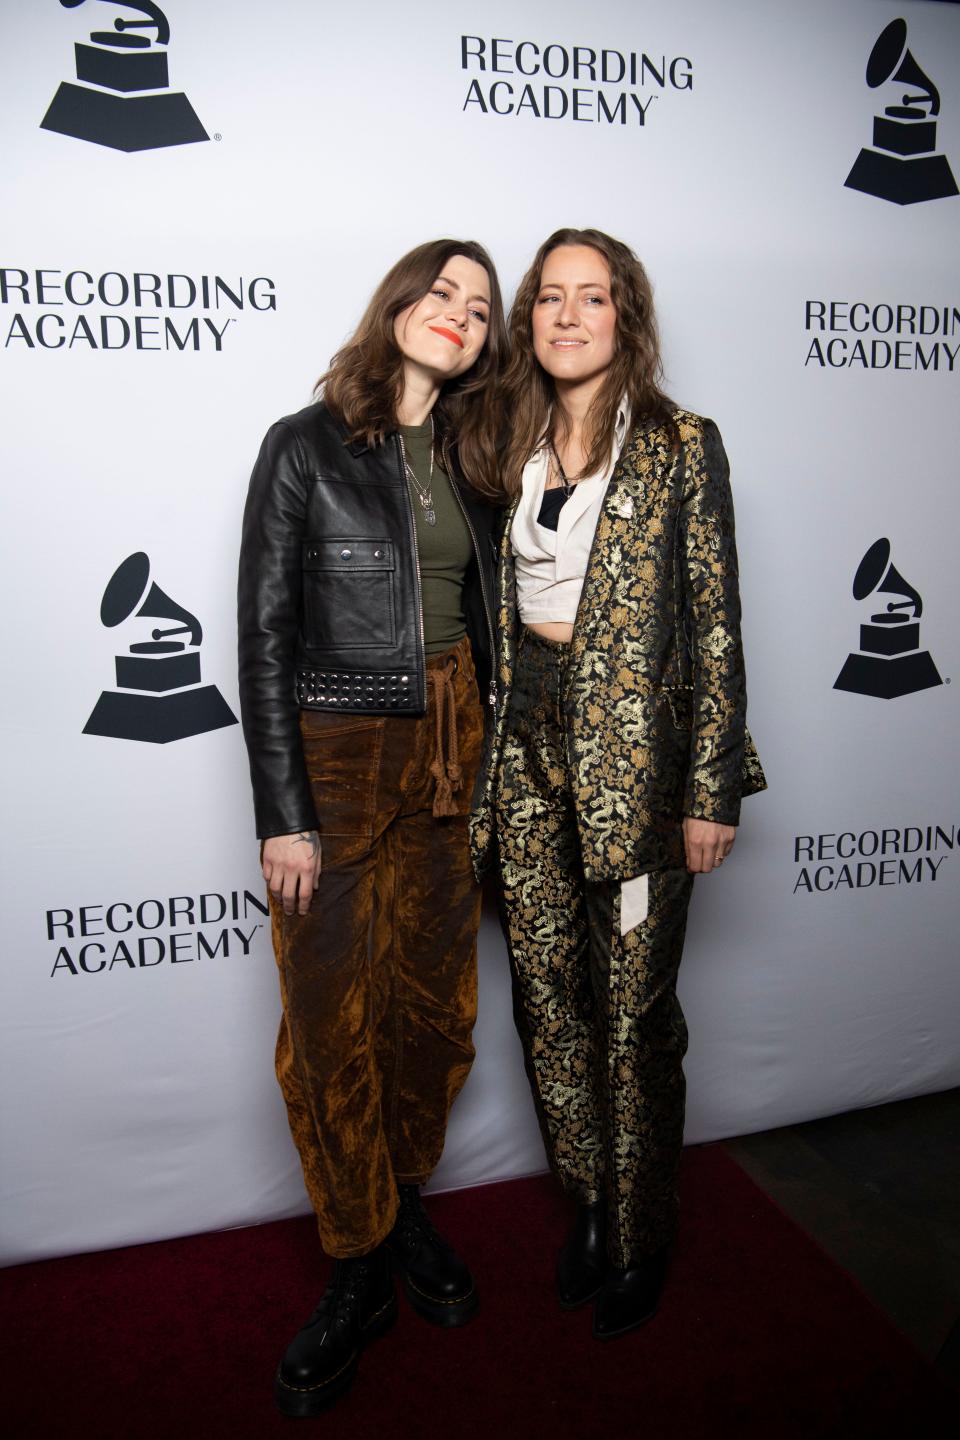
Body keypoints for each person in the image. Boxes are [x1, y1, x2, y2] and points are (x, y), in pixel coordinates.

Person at [471, 228, 766, 1342]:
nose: (566, 316)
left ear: (625, 317)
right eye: (549, 297)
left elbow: (718, 628)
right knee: (548, 998)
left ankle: (643, 1232)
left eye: (591, 298)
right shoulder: (503, 438)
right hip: (527, 752)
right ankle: (593, 1202)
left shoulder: (685, 444)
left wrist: (711, 792)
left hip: (640, 771)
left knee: (634, 1017)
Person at [238, 239, 506, 1415]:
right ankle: (353, 1257)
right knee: (329, 1018)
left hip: (456, 747)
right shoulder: (303, 445)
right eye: (442, 291)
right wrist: (284, 813)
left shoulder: (474, 454)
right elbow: (261, 637)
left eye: (481, 309)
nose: (459, 314)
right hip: (338, 752)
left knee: (435, 1008)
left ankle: (401, 1206)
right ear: (397, 302)